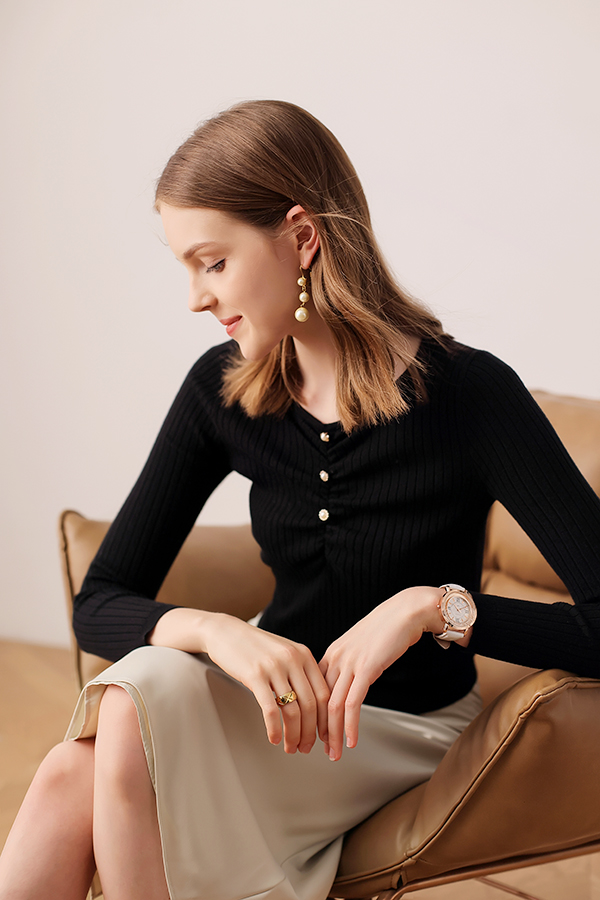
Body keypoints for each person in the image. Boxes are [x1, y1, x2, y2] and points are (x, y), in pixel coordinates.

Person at [1, 99, 599, 900]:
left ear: (302, 238)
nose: (195, 298)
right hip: (271, 709)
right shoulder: (222, 390)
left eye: (213, 263)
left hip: (399, 731)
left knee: (117, 725)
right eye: (186, 268)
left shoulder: (471, 396)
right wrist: (220, 633)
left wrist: (431, 607)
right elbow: (99, 601)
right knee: (89, 750)